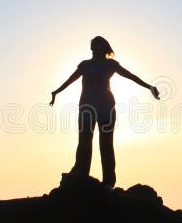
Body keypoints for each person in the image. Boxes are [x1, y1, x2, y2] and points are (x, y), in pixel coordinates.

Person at [49, 36, 160, 188]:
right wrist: (56, 92)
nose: (96, 45)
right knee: (84, 141)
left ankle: (108, 182)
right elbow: (70, 80)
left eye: (99, 43)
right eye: (94, 43)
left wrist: (149, 87)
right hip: (86, 107)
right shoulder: (85, 65)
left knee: (106, 143)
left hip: (106, 106)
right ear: (92, 47)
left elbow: (131, 76)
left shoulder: (111, 64)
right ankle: (81, 173)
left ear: (105, 47)